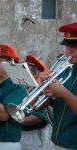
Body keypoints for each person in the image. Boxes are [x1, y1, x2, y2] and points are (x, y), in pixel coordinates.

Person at [38, 22, 77, 150]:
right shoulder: (65, 69)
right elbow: (43, 105)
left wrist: (63, 93)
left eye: (74, 47)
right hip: (55, 142)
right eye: (67, 46)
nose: (68, 51)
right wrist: (42, 88)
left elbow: (63, 94)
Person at [20, 54, 52, 150]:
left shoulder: (41, 90)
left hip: (35, 136)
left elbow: (39, 117)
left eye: (27, 70)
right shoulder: (24, 88)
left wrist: (16, 120)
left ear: (36, 73)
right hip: (21, 134)